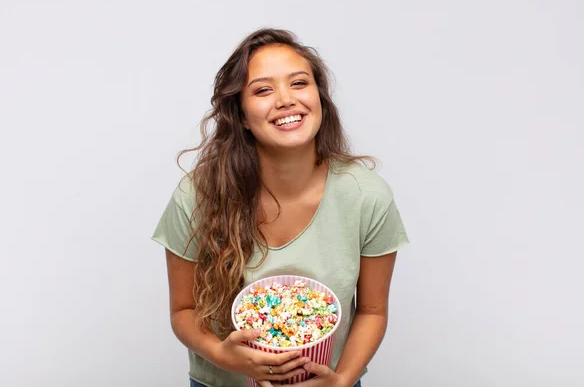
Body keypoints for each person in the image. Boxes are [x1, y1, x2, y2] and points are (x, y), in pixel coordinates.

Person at [151, 28, 409, 387]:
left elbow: (372, 310)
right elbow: (183, 311)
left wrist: (342, 380)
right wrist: (223, 355)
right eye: (262, 90)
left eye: (299, 83)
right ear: (240, 114)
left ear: (320, 96)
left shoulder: (365, 195)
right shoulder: (198, 195)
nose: (286, 100)